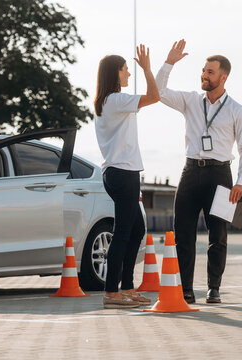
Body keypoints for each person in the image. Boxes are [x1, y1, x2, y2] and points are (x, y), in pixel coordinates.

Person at [156, 40, 242, 304]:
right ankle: (186, 290)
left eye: (210, 72)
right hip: (190, 173)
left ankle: (214, 288)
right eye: (203, 70)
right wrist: (168, 63)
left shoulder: (237, 111)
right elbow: (159, 91)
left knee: (218, 235)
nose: (204, 75)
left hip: (221, 176)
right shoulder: (190, 101)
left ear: (223, 77)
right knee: (183, 234)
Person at [94, 45, 160, 309]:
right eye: (126, 70)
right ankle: (112, 291)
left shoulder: (108, 102)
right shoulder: (116, 100)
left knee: (136, 230)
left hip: (118, 172)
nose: (129, 74)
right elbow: (154, 96)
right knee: (123, 232)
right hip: (123, 173)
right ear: (115, 73)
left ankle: (127, 287)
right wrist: (147, 68)